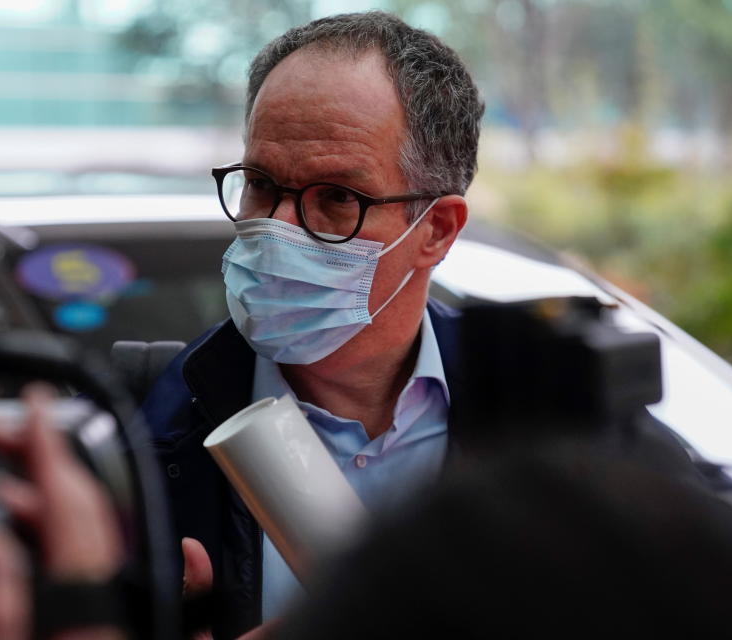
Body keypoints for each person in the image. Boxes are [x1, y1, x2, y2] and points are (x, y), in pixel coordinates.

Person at [140, 11, 482, 638]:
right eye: (261, 185)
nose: (278, 228)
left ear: (436, 230)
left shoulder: (560, 427)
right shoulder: (142, 442)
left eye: (337, 197)